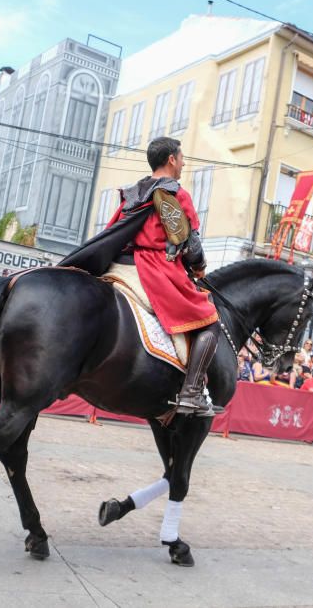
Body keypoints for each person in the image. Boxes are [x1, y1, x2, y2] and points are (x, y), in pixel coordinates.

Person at [105, 137, 218, 416]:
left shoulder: (132, 193)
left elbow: (113, 230)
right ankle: (191, 393)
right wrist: (200, 266)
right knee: (209, 321)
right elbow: (190, 243)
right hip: (153, 268)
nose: (183, 163)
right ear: (171, 159)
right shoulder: (177, 193)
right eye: (181, 158)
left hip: (118, 264)